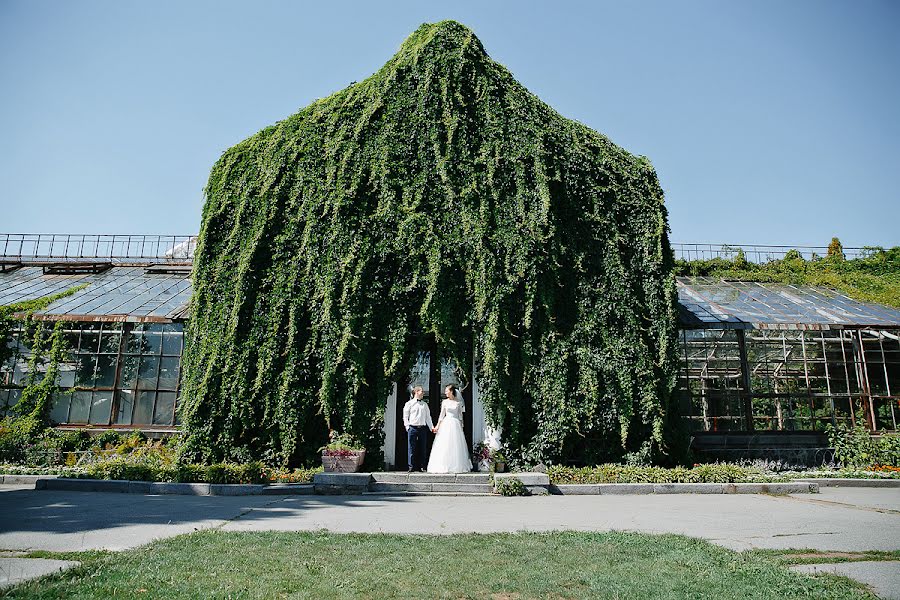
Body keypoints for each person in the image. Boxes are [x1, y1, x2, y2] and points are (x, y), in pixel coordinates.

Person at [427, 384, 472, 473]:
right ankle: (443, 465)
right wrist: (437, 426)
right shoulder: (444, 402)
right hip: (446, 423)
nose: (445, 392)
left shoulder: (458, 403)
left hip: (455, 425)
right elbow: (441, 415)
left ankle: (455, 466)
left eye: (447, 390)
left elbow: (460, 417)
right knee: (444, 444)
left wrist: (461, 427)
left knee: (455, 445)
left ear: (451, 391)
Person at [402, 385, 434, 472]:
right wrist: (407, 427)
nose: (423, 393)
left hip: (422, 428)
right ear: (416, 392)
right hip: (412, 428)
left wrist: (432, 428)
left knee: (422, 447)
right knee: (411, 447)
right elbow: (405, 416)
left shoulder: (425, 405)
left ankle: (421, 466)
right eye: (421, 391)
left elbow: (428, 417)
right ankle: (411, 466)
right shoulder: (409, 404)